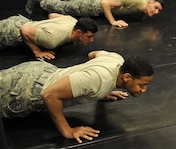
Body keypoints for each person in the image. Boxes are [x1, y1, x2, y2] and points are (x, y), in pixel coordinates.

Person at [0, 50, 153, 144]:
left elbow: (93, 54)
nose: (144, 89)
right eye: (142, 84)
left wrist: (96, 86)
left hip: (39, 69)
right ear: (127, 77)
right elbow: (49, 95)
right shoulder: (98, 80)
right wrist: (68, 131)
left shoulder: (117, 60)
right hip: (28, 88)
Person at [25, 0, 164, 27]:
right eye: (156, 8)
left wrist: (145, 12)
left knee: (76, 0)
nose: (156, 12)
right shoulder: (137, 2)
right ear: (150, 2)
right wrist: (113, 21)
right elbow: (105, 4)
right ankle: (38, 0)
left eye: (158, 11)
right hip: (96, 5)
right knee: (67, 8)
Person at [0, 13, 97, 60]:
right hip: (9, 32)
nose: (92, 40)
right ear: (78, 32)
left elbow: (51, 15)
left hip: (20, 20)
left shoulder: (72, 20)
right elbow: (24, 30)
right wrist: (37, 51)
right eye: (89, 36)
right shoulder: (52, 40)